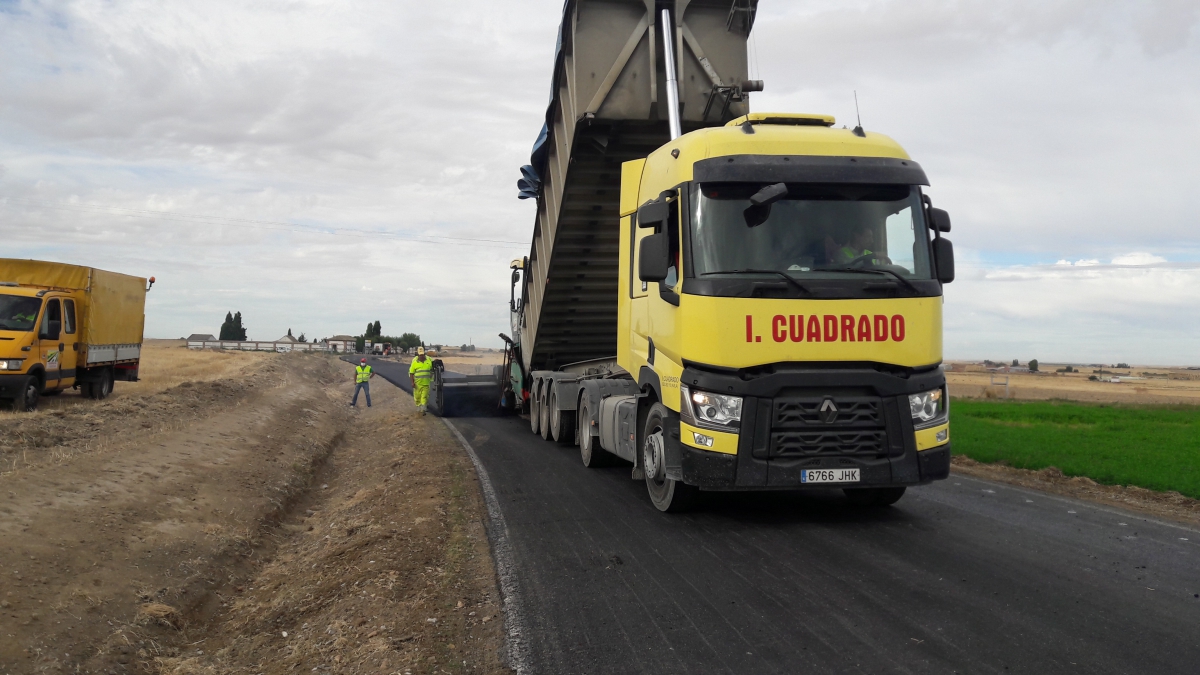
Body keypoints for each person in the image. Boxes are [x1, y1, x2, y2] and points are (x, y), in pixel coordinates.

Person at [409, 346, 433, 415]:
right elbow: (411, 373)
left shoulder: (429, 361)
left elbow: (432, 369)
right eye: (420, 355)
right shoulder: (414, 362)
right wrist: (412, 382)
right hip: (417, 384)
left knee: (424, 397)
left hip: (426, 383)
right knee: (417, 397)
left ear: (424, 354)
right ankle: (419, 408)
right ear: (418, 355)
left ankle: (423, 409)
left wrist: (432, 375)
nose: (422, 356)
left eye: (423, 355)